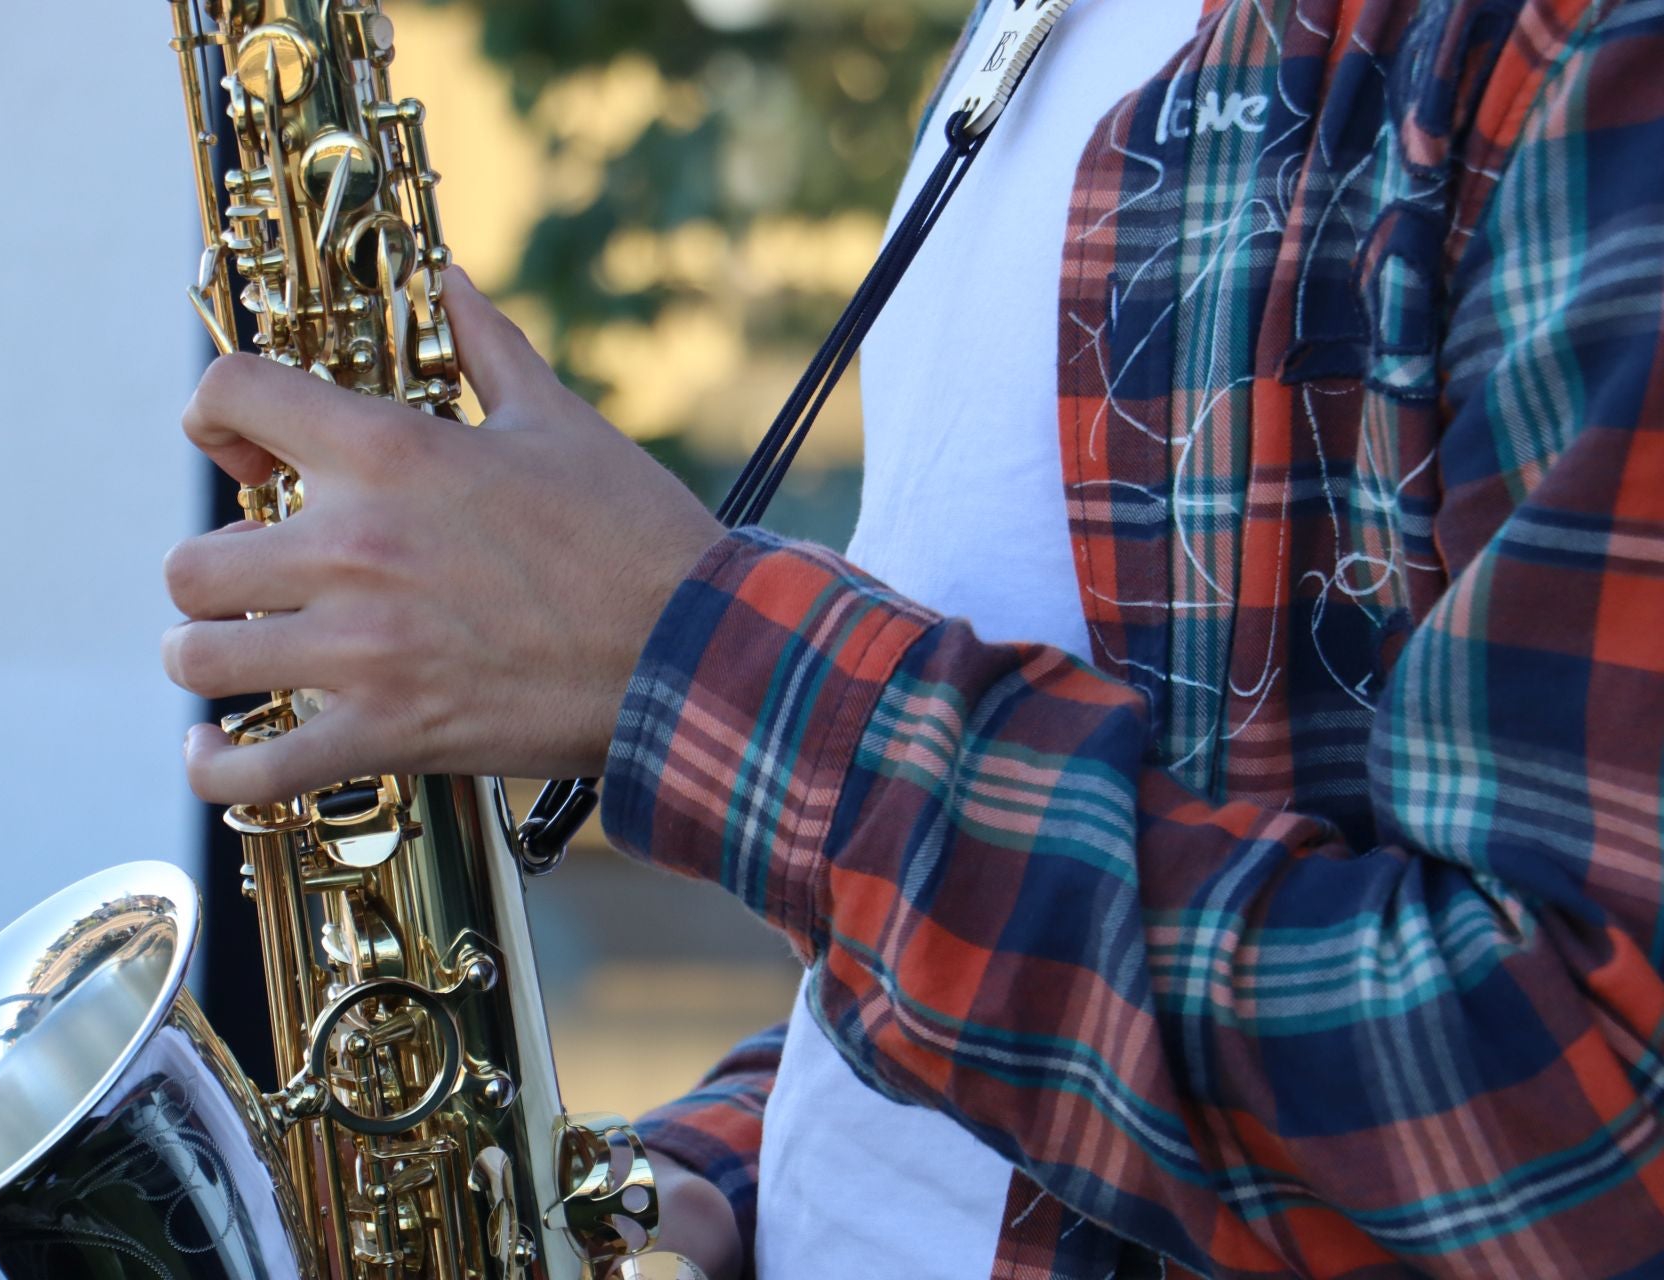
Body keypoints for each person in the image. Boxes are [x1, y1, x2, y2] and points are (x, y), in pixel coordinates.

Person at [159, 0, 1664, 1272]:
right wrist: (717, 1184)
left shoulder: (1566, 46)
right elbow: (1043, 919)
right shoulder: (1027, 39)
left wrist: (683, 653)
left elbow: (1581, 1118)